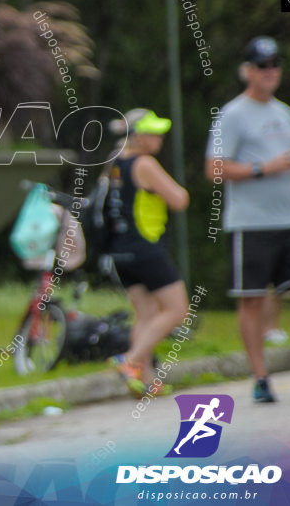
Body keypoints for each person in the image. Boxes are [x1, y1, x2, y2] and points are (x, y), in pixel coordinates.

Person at [204, 36, 290, 403]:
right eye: (262, 65)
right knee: (251, 299)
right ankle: (260, 377)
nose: (270, 72)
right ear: (247, 70)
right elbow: (213, 168)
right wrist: (262, 168)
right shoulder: (232, 114)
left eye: (275, 64)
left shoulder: (284, 113)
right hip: (251, 223)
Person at [103, 109, 190, 397]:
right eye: (153, 132)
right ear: (138, 136)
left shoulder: (116, 162)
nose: (159, 138)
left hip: (121, 252)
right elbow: (179, 199)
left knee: (147, 314)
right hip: (146, 249)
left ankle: (147, 381)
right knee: (178, 310)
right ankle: (130, 360)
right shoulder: (144, 163)